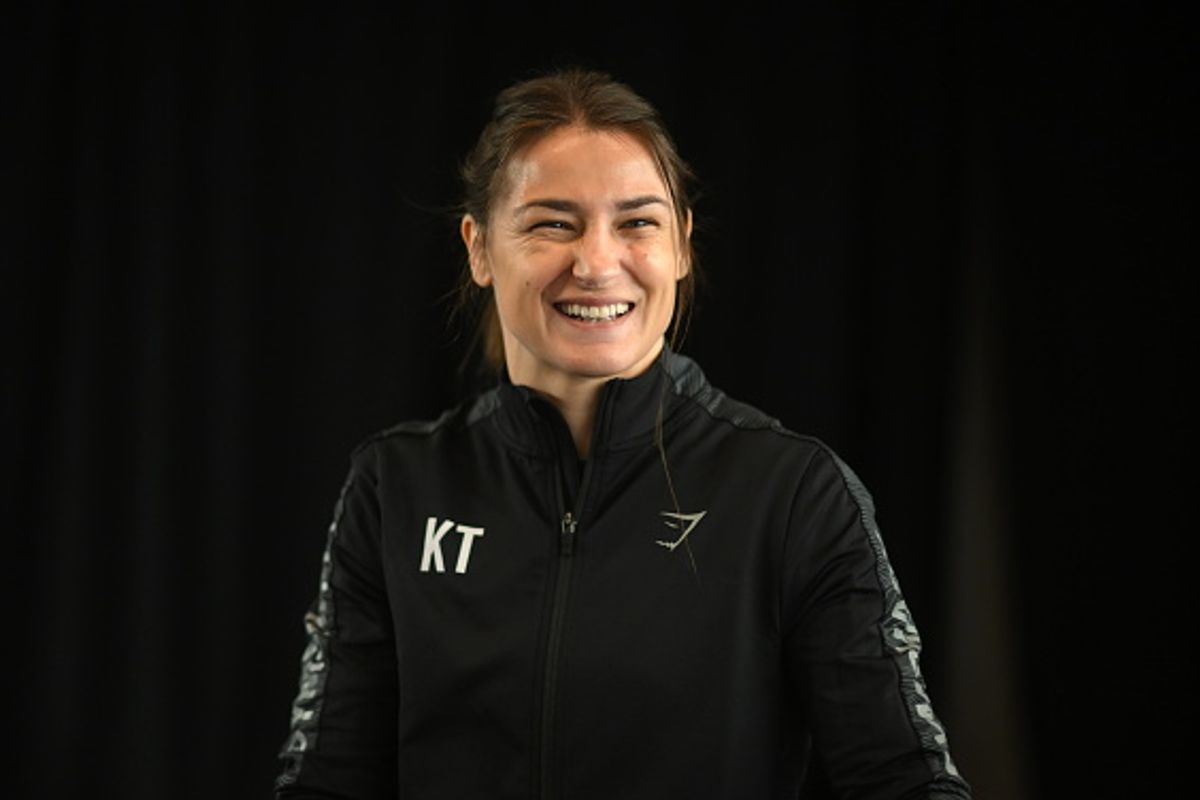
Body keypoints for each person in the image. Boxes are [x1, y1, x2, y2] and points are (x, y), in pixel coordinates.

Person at [275, 67, 971, 800]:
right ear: (479, 248)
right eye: (553, 223)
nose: (598, 262)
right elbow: (327, 782)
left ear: (681, 245)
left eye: (637, 222)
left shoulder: (793, 494)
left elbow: (906, 782)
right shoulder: (396, 487)